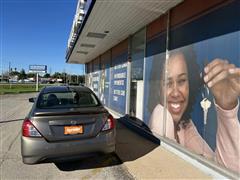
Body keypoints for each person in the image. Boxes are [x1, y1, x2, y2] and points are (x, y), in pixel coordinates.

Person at [148, 46, 240, 173]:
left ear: (190, 84)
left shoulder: (185, 126)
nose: (175, 93)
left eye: (181, 81)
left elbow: (220, 169)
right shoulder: (161, 116)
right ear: (158, 89)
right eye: (168, 83)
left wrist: (227, 108)